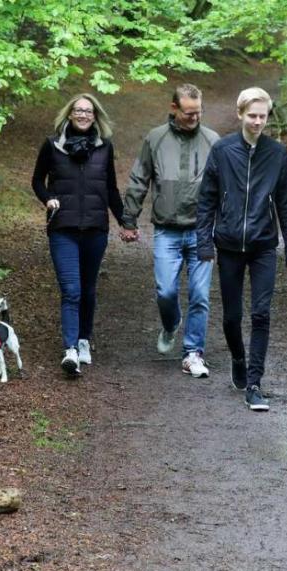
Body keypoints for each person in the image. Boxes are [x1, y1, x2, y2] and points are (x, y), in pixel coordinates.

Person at [196, 87, 287, 411]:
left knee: (261, 313)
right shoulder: (223, 150)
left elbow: (286, 202)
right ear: (240, 114)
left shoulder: (277, 154)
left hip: (263, 245)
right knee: (231, 317)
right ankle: (238, 358)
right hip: (228, 244)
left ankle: (254, 383)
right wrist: (204, 243)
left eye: (263, 116)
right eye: (252, 115)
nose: (257, 122)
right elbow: (207, 199)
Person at [119, 83, 221, 379]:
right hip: (167, 230)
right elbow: (139, 179)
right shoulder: (156, 138)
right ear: (173, 108)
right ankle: (171, 322)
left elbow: (227, 186)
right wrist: (129, 220)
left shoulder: (213, 140)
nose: (194, 118)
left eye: (198, 112)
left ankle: (193, 352)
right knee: (166, 291)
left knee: (200, 293)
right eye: (189, 113)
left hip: (203, 230)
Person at [31, 93, 123, 376]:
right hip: (63, 229)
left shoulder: (104, 148)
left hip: (96, 229)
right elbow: (37, 181)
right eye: (78, 110)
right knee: (71, 290)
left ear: (95, 116)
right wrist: (47, 198)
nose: (83, 115)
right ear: (69, 115)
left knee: (89, 289)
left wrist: (125, 222)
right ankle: (70, 349)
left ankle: (84, 340)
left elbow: (110, 189)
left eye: (88, 111)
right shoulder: (52, 145)